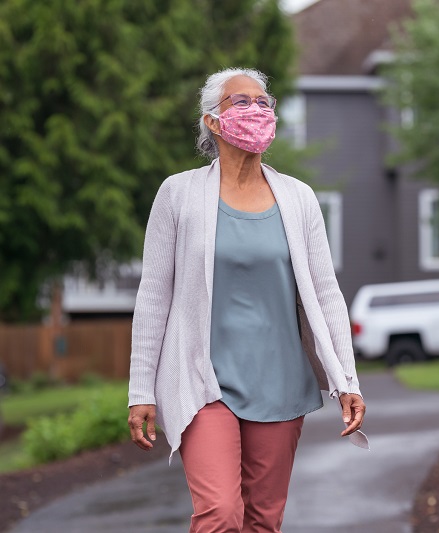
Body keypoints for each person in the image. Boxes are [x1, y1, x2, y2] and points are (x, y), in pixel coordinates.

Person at [127, 67, 367, 533]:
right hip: (203, 382)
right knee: (220, 512)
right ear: (213, 122)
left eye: (264, 102)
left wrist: (348, 379)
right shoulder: (178, 195)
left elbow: (325, 293)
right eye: (242, 102)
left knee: (262, 521)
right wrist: (141, 390)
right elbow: (153, 295)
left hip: (280, 382)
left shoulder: (298, 198)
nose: (257, 110)